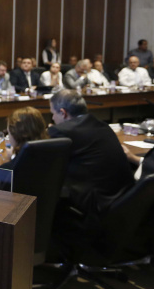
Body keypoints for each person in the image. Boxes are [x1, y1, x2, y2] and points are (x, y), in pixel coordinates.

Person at [48, 90, 133, 218]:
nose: (53, 118)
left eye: (53, 114)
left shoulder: (62, 131)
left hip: (95, 207)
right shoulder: (102, 125)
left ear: (63, 113)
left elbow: (47, 163)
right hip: (124, 199)